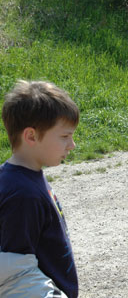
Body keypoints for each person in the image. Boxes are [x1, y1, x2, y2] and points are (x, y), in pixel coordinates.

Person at [0, 80, 79, 298]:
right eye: (65, 136)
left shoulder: (18, 177)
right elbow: (16, 276)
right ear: (31, 136)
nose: (72, 145)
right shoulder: (23, 195)